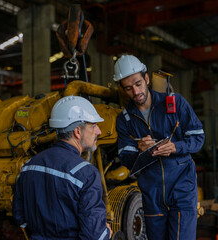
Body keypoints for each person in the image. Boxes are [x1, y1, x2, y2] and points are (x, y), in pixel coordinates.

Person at [114, 55, 205, 240]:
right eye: (128, 88)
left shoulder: (175, 103)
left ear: (146, 79)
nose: (136, 91)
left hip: (181, 185)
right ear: (123, 89)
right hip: (152, 191)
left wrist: (175, 147)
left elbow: (198, 137)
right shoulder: (124, 120)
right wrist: (140, 149)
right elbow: (125, 156)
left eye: (138, 84)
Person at [12, 95, 112, 240]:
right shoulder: (87, 174)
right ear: (77, 132)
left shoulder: (28, 167)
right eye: (93, 125)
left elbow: (19, 217)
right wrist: (107, 232)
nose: (99, 131)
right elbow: (94, 236)